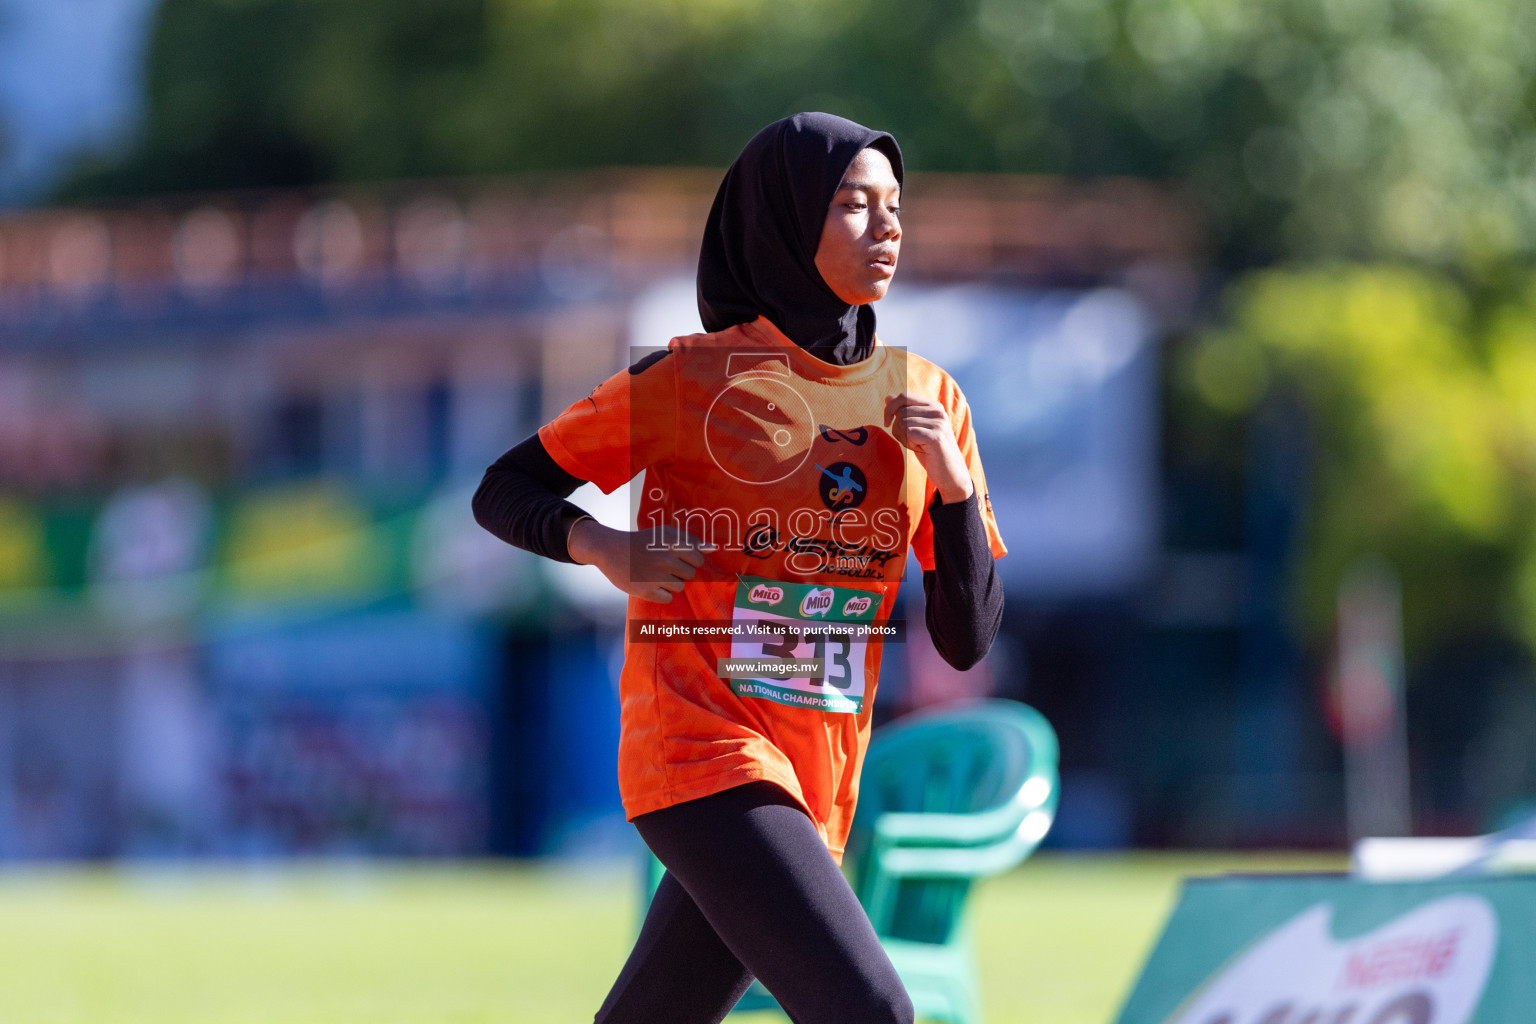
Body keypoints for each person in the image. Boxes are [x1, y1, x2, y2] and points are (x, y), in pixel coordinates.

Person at [473, 112, 1006, 1024]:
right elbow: (505, 487)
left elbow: (965, 639)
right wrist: (604, 546)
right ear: (787, 219)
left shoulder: (927, 398)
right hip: (698, 753)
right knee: (873, 1012)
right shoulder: (690, 384)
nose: (886, 229)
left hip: (813, 782)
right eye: (851, 205)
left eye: (894, 207)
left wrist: (954, 494)